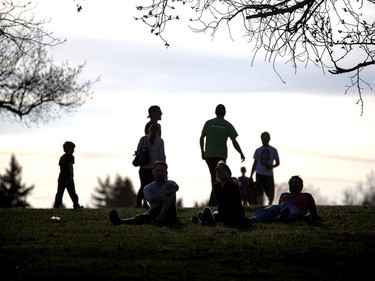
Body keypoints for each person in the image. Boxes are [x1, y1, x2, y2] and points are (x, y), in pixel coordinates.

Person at [199, 104, 245, 206]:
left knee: (214, 178)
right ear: (225, 113)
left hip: (209, 156)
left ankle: (214, 202)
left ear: (215, 112)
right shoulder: (227, 125)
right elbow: (234, 141)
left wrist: (202, 152)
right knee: (219, 179)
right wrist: (241, 153)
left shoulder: (208, 123)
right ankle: (214, 202)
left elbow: (201, 138)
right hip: (221, 157)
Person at [109, 161, 179, 226]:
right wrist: (164, 194)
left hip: (170, 214)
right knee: (140, 217)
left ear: (166, 173)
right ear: (153, 172)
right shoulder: (148, 188)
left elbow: (176, 187)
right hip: (155, 212)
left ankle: (159, 219)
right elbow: (150, 199)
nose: (160, 173)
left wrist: (164, 195)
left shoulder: (171, 183)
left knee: (170, 194)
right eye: (158, 171)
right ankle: (120, 221)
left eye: (162, 171)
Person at [192, 161, 252, 228]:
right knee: (215, 213)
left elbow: (234, 183)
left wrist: (223, 172)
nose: (219, 172)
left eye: (222, 170)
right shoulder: (216, 186)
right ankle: (208, 220)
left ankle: (208, 220)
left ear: (228, 172)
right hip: (222, 212)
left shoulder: (234, 180)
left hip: (235, 212)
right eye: (218, 171)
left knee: (227, 216)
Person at [250, 175, 321, 224]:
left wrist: (306, 217)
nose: (293, 185)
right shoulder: (284, 195)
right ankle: (252, 220)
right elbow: (279, 207)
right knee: (269, 210)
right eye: (291, 183)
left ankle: (280, 218)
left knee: (290, 212)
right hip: (280, 207)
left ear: (301, 186)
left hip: (295, 209)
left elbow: (313, 213)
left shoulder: (306, 196)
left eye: (296, 183)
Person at [136, 124, 166, 208]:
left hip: (143, 167)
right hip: (154, 168)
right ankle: (149, 204)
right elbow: (161, 156)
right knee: (152, 186)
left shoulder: (143, 139)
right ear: (159, 131)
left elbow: (138, 151)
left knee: (143, 186)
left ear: (149, 130)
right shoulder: (160, 141)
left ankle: (139, 203)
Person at [250, 131, 280, 206]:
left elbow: (277, 162)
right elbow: (255, 163)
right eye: (263, 138)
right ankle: (259, 206)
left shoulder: (273, 150)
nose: (264, 139)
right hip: (259, 173)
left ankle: (269, 205)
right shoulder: (258, 150)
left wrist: (271, 166)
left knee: (270, 192)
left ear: (269, 139)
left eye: (265, 137)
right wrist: (251, 175)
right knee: (259, 192)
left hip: (269, 174)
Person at [53, 141, 84, 209]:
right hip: (68, 177)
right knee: (72, 192)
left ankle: (56, 206)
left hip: (61, 177)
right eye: (73, 149)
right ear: (70, 149)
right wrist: (71, 177)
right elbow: (70, 167)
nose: (74, 150)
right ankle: (76, 205)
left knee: (60, 193)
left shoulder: (62, 157)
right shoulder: (71, 157)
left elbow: (61, 168)